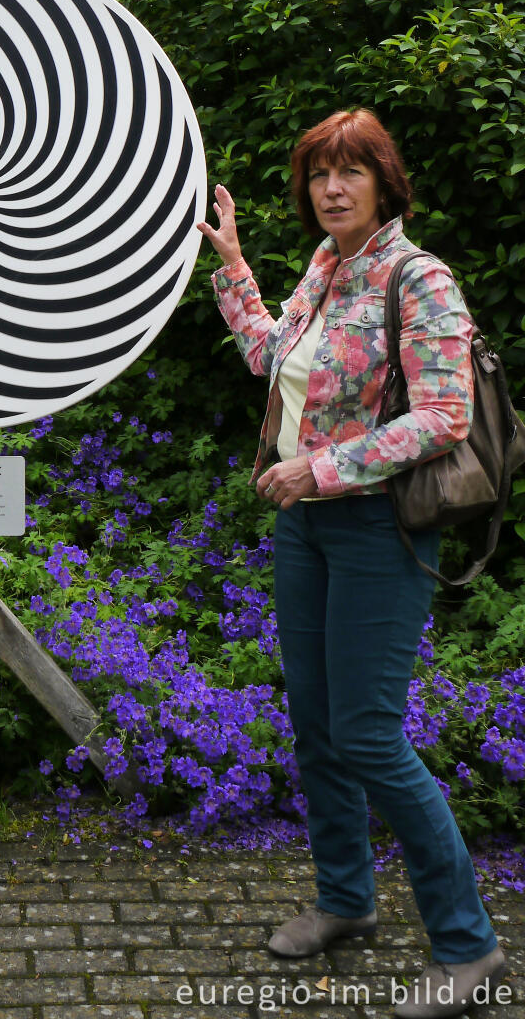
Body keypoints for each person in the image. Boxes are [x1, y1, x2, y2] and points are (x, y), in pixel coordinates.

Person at [197, 108, 507, 1019]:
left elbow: (444, 418)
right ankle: (347, 901)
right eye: (319, 176)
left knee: (369, 736)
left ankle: (468, 945)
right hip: (308, 530)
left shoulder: (421, 279)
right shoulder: (326, 270)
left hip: (380, 529)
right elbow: (269, 358)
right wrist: (235, 271)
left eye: (350, 173)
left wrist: (319, 467)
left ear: (383, 182)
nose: (331, 189)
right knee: (319, 728)